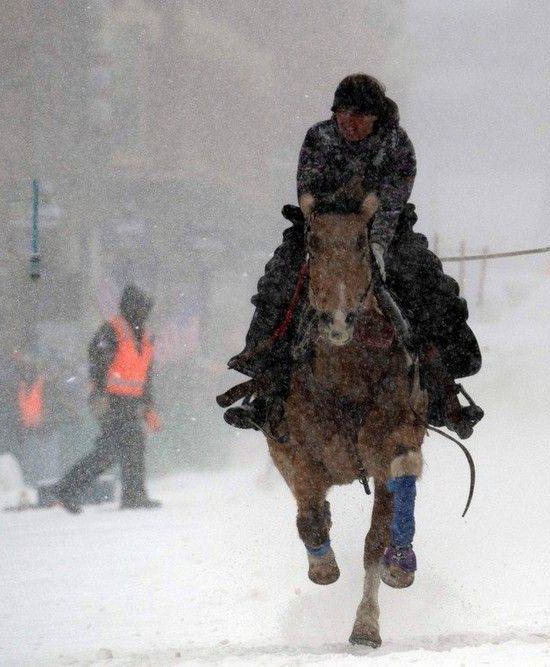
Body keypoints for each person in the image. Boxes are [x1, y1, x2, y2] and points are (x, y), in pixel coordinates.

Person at [223, 73, 483, 439]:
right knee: (278, 282)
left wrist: (375, 246)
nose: (350, 122)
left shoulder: (396, 144)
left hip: (385, 233)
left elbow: (392, 201)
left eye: (359, 115)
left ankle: (443, 387)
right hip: (321, 231)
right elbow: (307, 191)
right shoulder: (318, 138)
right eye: (343, 113)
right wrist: (327, 238)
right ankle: (265, 386)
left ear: (377, 116)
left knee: (427, 282)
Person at [54, 284, 163, 513]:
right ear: (131, 307)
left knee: (130, 447)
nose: (145, 312)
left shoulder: (145, 336)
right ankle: (68, 489)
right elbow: (98, 364)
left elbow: (145, 375)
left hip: (131, 402)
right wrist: (99, 395)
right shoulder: (112, 330)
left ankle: (132, 495)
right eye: (142, 307)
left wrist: (149, 407)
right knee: (111, 452)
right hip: (113, 401)